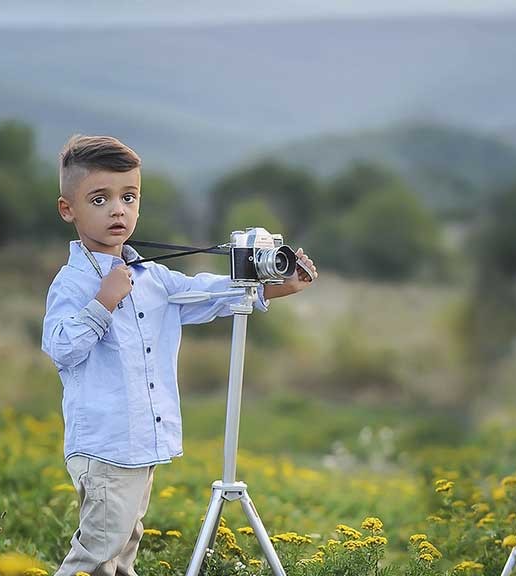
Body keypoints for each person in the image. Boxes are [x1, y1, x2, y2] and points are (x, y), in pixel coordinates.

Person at [41, 134, 317, 576]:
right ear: (68, 209)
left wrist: (273, 286)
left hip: (141, 444)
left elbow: (205, 292)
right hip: (106, 445)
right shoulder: (73, 283)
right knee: (98, 550)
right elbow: (59, 348)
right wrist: (103, 303)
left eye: (129, 197)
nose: (118, 209)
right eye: (100, 199)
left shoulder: (153, 278)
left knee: (124, 545)